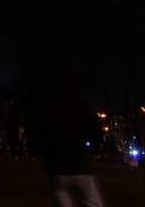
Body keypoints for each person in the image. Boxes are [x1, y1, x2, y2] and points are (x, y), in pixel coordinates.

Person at [34, 72, 105, 207]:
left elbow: (37, 134)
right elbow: (95, 132)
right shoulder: (79, 109)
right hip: (78, 167)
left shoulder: (43, 111)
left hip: (55, 169)